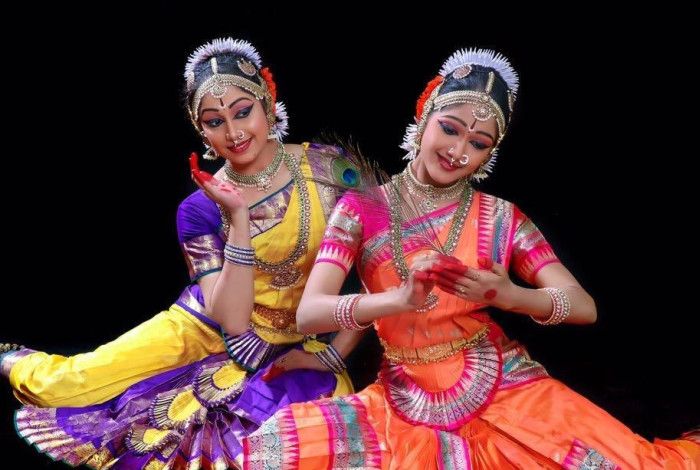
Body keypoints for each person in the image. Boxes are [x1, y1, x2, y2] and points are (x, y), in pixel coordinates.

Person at [242, 48, 700, 469]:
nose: (458, 151)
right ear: (425, 116)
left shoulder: (500, 218)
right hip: (404, 399)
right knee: (276, 450)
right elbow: (310, 313)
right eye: (451, 129)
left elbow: (583, 307)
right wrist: (398, 300)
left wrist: (508, 294)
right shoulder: (362, 208)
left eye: (479, 143)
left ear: (490, 152)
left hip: (506, 387)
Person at [0, 37, 363, 468]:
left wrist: (337, 352)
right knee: (71, 385)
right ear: (201, 130)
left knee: (323, 424)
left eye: (243, 111)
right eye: (214, 121)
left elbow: (381, 267)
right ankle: (13, 360)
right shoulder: (200, 208)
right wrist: (240, 220)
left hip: (300, 335)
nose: (234, 132)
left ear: (268, 101)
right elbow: (229, 316)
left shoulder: (330, 170)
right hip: (204, 323)